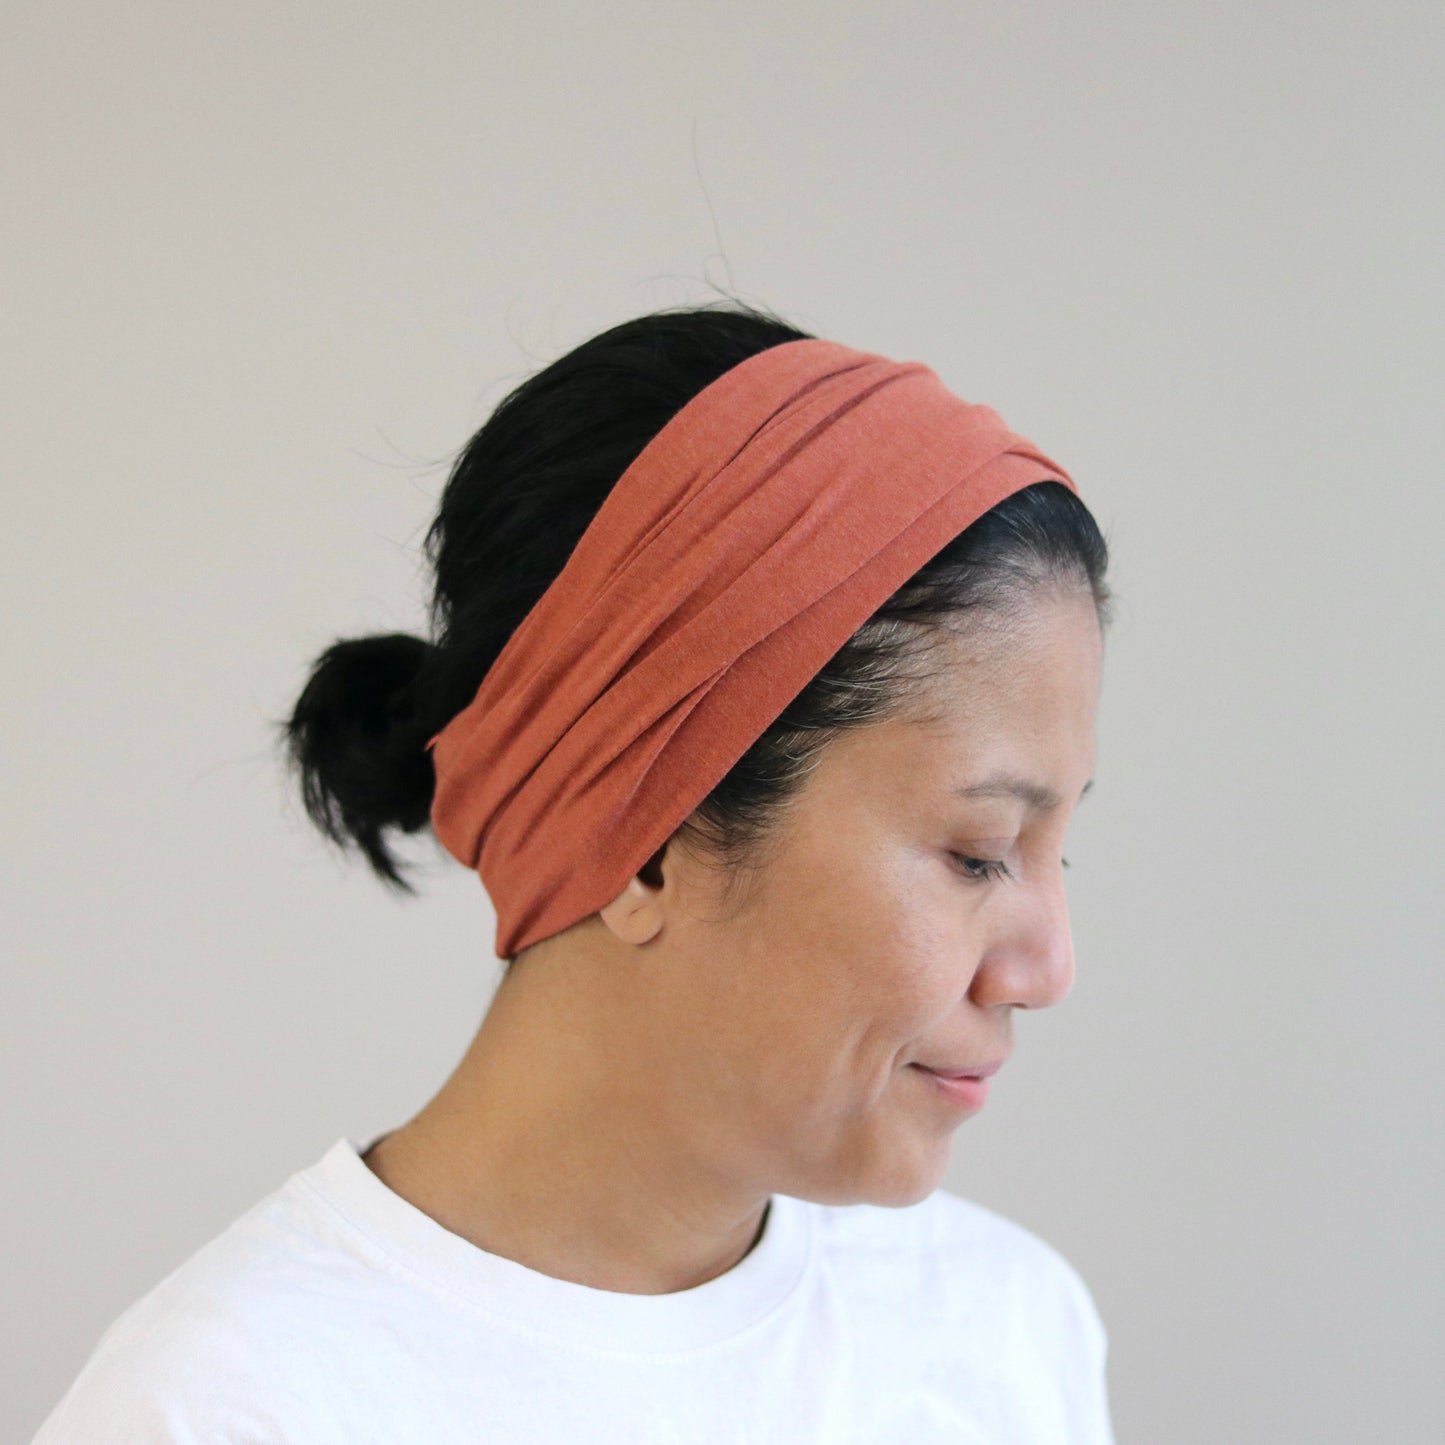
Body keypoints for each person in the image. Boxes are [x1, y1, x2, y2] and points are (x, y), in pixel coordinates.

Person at [34, 300, 1117, 1442]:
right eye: (978, 852)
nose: (1046, 967)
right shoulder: (228, 1407)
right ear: (644, 842)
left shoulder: (1005, 1333)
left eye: (1056, 850)